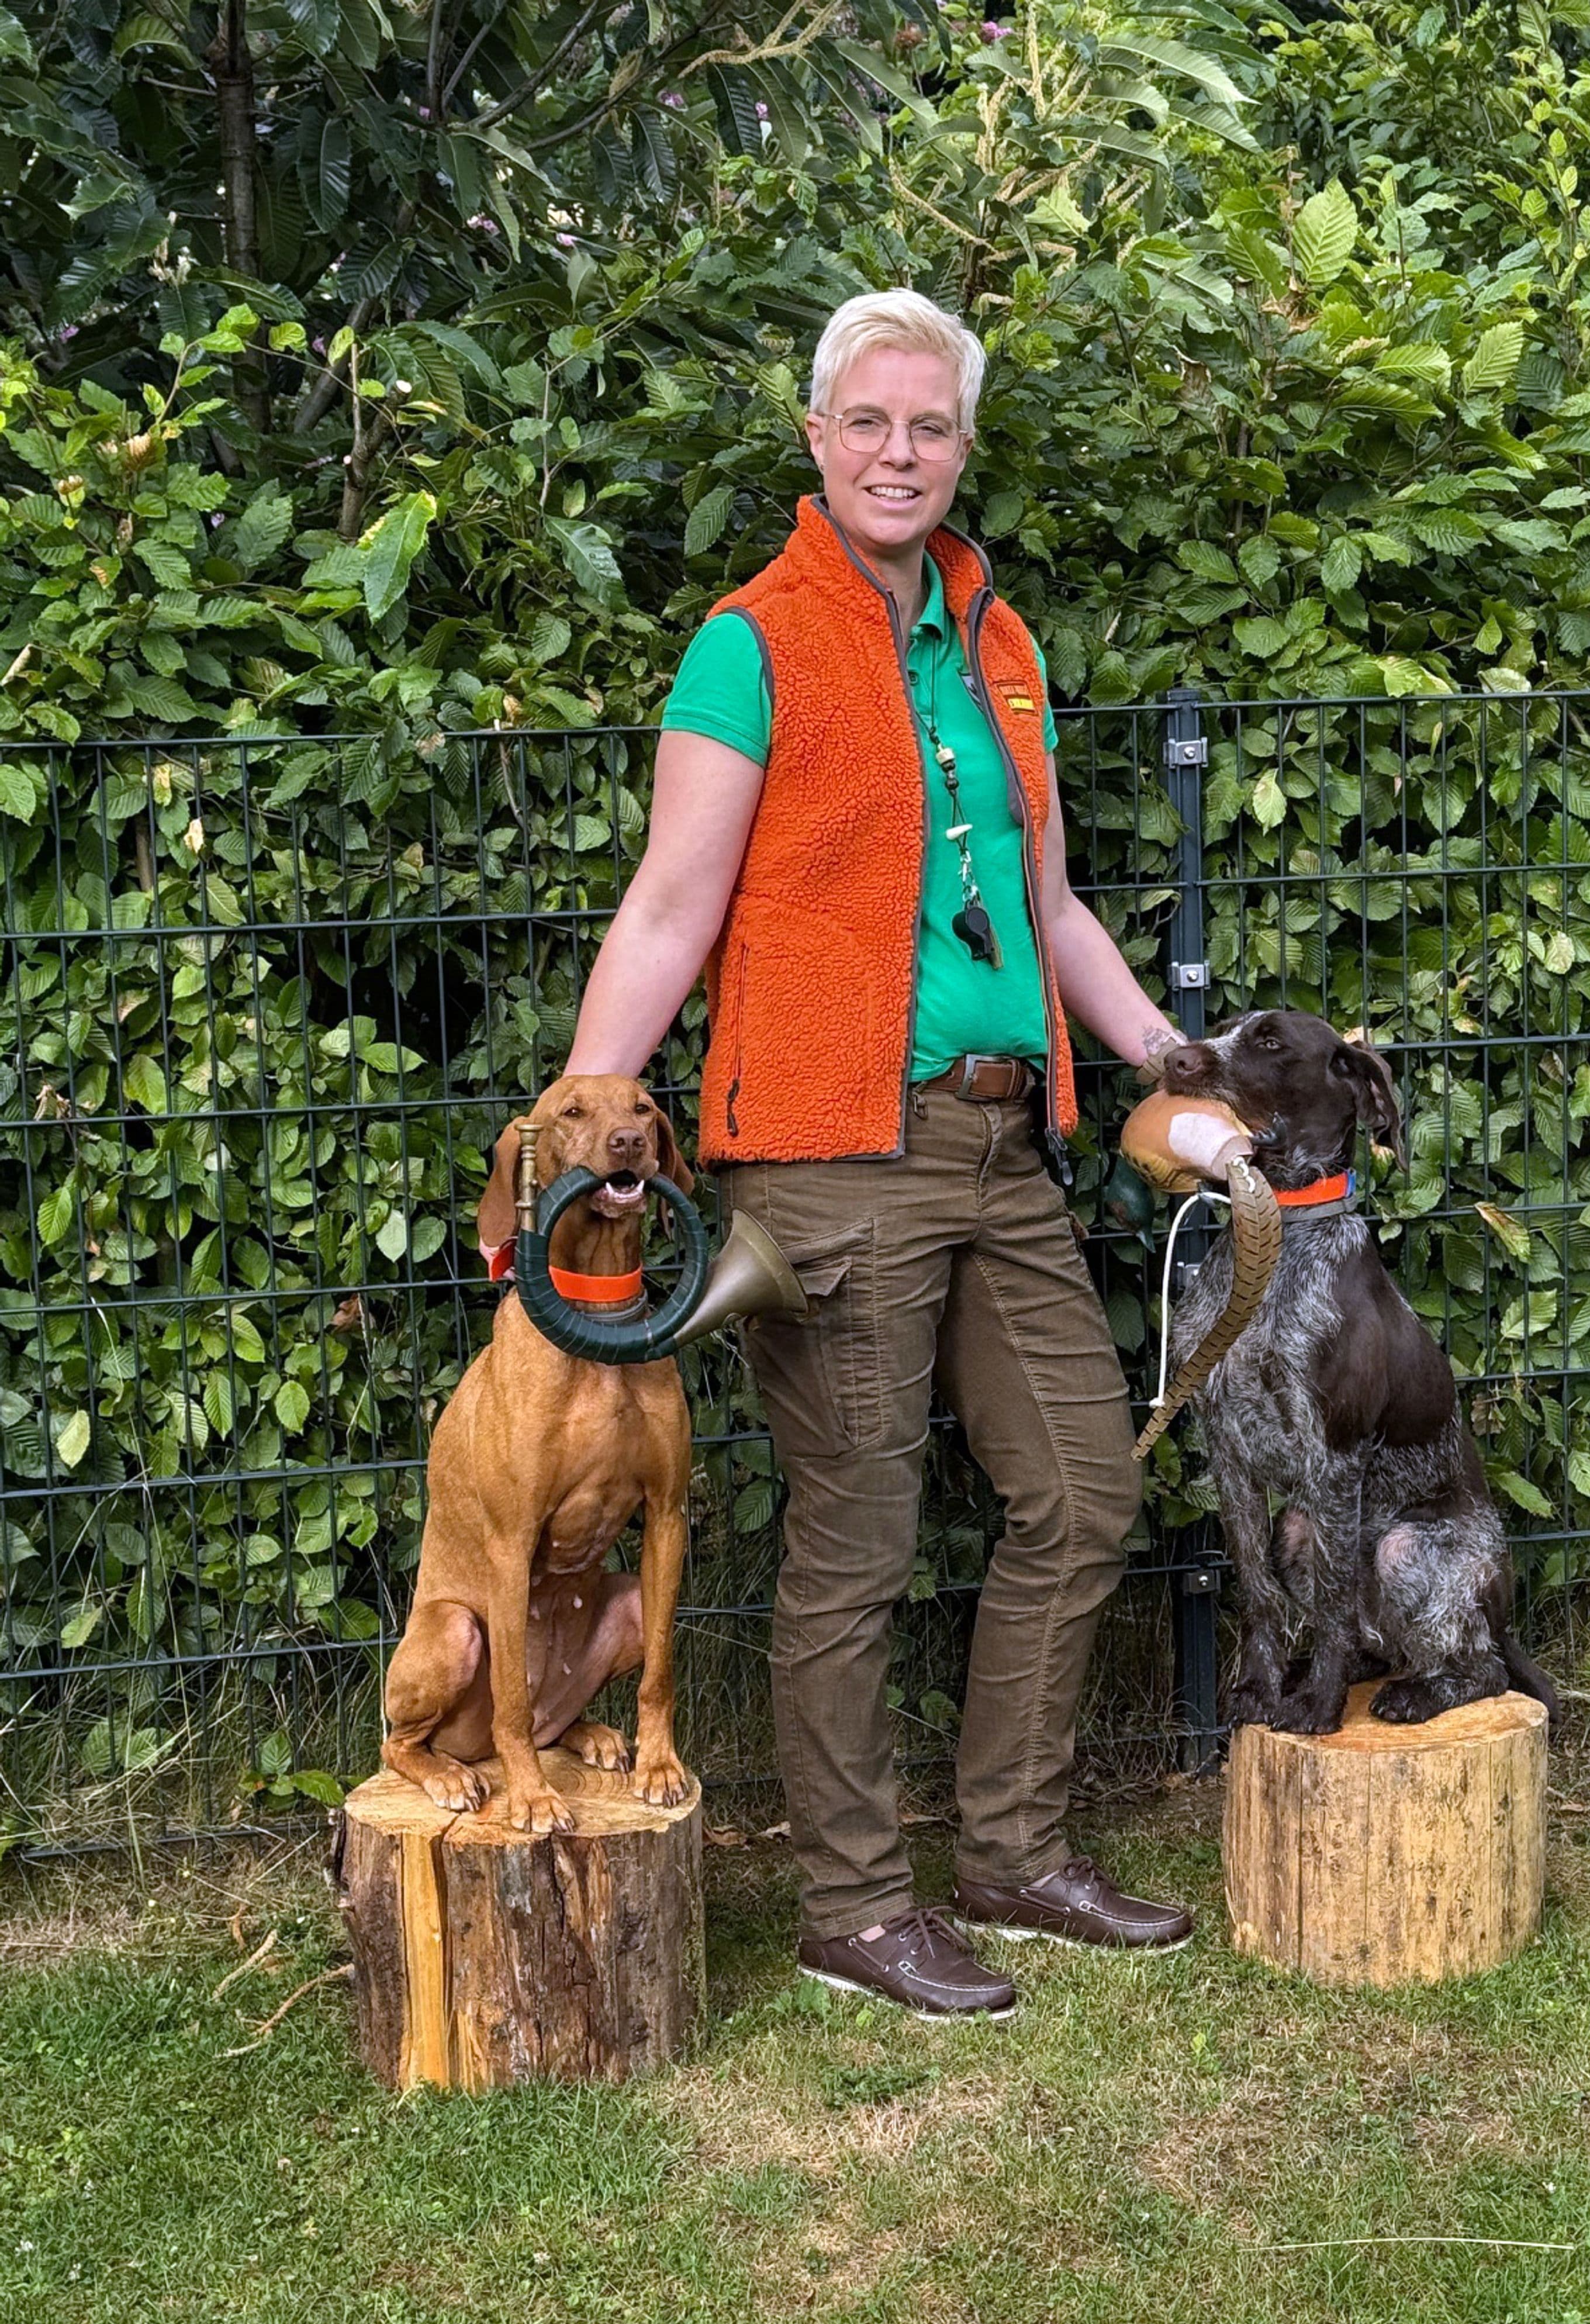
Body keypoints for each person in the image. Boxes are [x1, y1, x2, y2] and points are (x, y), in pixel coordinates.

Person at [566, 288, 1193, 2019]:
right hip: (830, 1152)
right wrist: (581, 1116)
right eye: (869, 423)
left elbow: (1048, 903)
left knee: (1080, 1487)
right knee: (855, 1538)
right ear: (817, 439)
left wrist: (1158, 1054)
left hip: (1005, 1145)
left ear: (961, 447)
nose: (899, 452)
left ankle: (1009, 1853)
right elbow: (674, 902)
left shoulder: (1001, 641)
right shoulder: (748, 640)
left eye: (929, 426)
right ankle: (853, 1905)